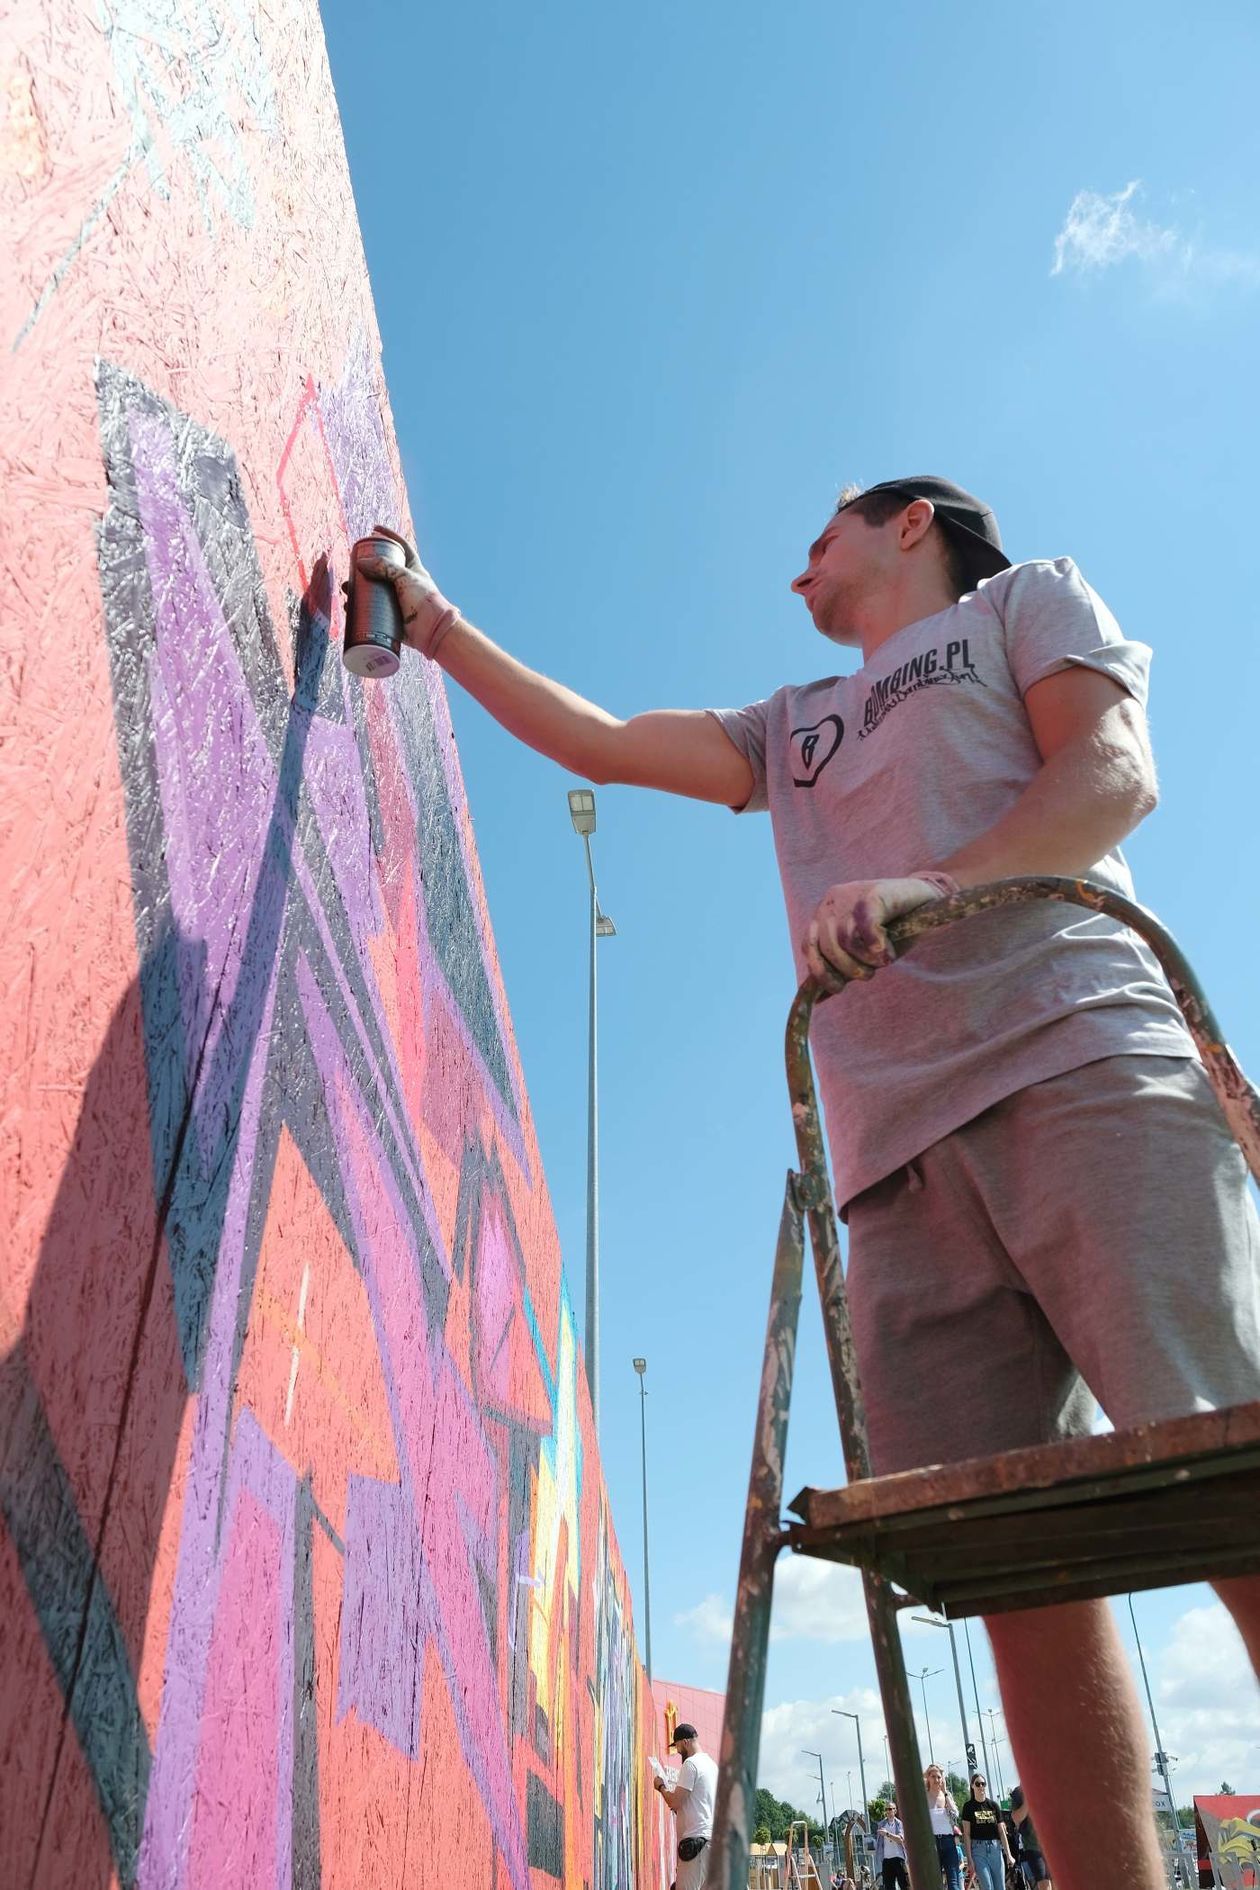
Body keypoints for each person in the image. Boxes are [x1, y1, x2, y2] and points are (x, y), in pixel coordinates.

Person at [361, 477, 1260, 1889]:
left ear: (913, 522)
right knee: (1015, 1568)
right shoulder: (783, 726)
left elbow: (1110, 772)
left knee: (1234, 1460)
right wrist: (437, 625)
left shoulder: (1026, 603)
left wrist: (933, 886)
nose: (799, 567)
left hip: (1081, 1060)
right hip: (890, 1156)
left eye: (821, 535)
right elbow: (596, 736)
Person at [652, 1722, 718, 1890]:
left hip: (697, 1845)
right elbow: (698, 1803)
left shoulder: (691, 1765)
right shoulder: (712, 1765)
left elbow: (675, 1801)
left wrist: (661, 1787)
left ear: (685, 1742)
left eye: (678, 1746)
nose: (677, 1750)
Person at [961, 1773, 1014, 1890]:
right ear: (972, 1786)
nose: (981, 1786)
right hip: (978, 1850)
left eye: (983, 1784)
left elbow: (1001, 1832)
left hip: (995, 1849)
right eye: (978, 1784)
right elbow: (967, 1834)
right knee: (987, 1886)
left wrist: (1009, 1854)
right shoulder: (968, 1807)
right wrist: (969, 1859)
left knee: (1000, 1886)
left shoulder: (993, 1805)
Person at [923, 1764, 962, 1890]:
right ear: (928, 1778)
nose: (936, 1780)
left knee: (954, 1883)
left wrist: (945, 1793)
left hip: (948, 1842)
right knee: (935, 1883)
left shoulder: (946, 1796)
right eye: (933, 1776)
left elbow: (955, 1814)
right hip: (931, 1843)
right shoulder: (924, 1796)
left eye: (939, 1777)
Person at [1009, 1784, 1051, 1889]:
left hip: (1052, 1846)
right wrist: (1028, 1800)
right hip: (1033, 1847)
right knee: (1044, 1884)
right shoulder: (1018, 1793)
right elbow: (1016, 1818)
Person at [874, 1800, 910, 1889]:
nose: (888, 1811)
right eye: (887, 1809)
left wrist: (887, 1834)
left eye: (890, 1809)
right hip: (886, 1859)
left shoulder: (899, 1824)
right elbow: (879, 1843)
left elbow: (900, 1839)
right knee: (889, 1886)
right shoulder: (882, 1824)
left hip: (898, 1858)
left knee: (903, 1885)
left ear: (895, 1810)